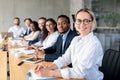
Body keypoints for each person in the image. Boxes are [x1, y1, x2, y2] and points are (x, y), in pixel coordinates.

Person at [33, 8, 104, 80]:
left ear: (92, 23)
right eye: (79, 20)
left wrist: (50, 73)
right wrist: (48, 67)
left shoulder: (94, 43)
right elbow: (65, 58)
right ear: (75, 22)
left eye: (86, 21)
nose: (82, 24)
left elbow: (81, 72)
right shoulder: (76, 39)